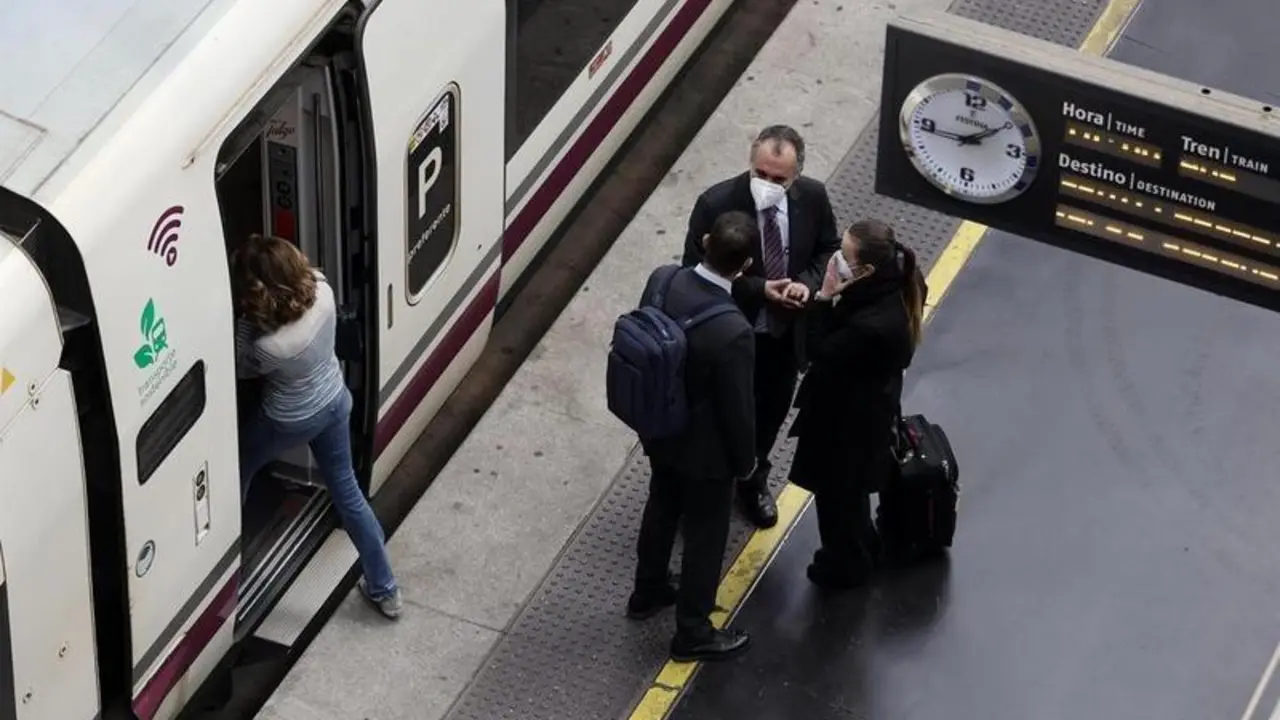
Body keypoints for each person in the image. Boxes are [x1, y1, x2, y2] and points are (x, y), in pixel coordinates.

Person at [232, 234, 402, 619]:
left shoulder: (270, 346)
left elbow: (241, 367)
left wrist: (244, 319)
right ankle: (386, 589)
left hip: (287, 419)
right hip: (334, 402)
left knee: (237, 473)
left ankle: (227, 583)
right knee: (349, 495)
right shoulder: (322, 291)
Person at [681, 125, 840, 529]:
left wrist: (805, 285)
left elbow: (827, 248)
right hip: (732, 334)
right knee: (717, 415)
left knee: (770, 412)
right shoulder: (716, 203)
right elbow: (696, 272)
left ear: (796, 177)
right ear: (751, 165)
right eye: (761, 175)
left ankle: (752, 481)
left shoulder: (814, 198)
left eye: (778, 180)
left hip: (784, 336)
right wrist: (760, 289)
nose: (767, 185)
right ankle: (700, 492)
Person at [628, 211, 759, 662]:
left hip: (657, 428)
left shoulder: (663, 279)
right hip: (705, 455)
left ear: (705, 242)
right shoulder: (734, 331)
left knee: (661, 504)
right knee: (705, 538)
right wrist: (747, 463)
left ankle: (647, 591)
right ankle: (693, 632)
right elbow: (738, 409)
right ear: (745, 267)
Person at [787, 218, 926, 589]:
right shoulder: (902, 280)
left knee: (836, 499)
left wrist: (824, 297)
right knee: (851, 494)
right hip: (871, 413)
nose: (837, 260)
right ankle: (862, 544)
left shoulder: (871, 327)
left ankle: (844, 564)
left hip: (846, 423)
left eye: (844, 255)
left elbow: (818, 350)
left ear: (866, 268)